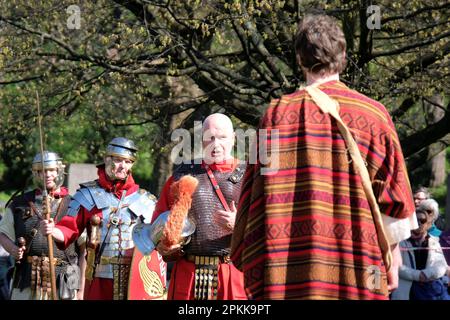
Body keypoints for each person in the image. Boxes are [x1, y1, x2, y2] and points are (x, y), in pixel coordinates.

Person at [230, 14, 417, 300]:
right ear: (342, 56)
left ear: (299, 58)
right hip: (361, 270)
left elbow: (253, 202)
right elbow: (395, 199)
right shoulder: (375, 116)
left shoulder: (275, 116)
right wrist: (393, 258)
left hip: (288, 272)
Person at [40, 137, 158, 300]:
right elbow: (69, 229)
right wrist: (53, 230)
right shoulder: (87, 195)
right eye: (117, 160)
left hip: (136, 278)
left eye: (128, 161)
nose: (123, 166)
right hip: (100, 280)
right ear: (106, 159)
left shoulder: (145, 200)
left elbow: (158, 243)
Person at [153, 113, 247, 300]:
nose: (215, 143)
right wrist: (167, 242)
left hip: (231, 275)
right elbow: (158, 224)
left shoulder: (248, 177)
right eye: (209, 137)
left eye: (222, 137)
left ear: (234, 139)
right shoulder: (182, 175)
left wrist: (241, 224)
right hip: (188, 274)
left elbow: (268, 229)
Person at [0, 151, 80, 300]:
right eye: (41, 171)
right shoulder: (19, 203)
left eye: (51, 170)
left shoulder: (74, 204)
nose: (47, 174)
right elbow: (2, 234)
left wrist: (80, 290)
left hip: (65, 279)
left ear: (59, 171)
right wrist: (12, 249)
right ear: (35, 174)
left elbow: (84, 250)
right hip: (26, 278)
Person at [391, 199, 449, 300]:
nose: (419, 223)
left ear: (429, 224)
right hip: (406, 292)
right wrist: (418, 275)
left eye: (422, 221)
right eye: (415, 220)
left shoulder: (434, 241)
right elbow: (398, 267)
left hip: (429, 293)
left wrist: (425, 274)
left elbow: (441, 266)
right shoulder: (400, 241)